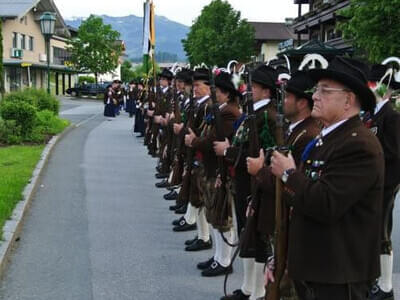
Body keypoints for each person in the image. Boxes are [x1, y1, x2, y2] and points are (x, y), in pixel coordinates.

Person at [269, 57, 384, 300]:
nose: (315, 96)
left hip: (338, 275)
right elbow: (300, 204)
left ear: (348, 100)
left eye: (324, 90)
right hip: (315, 269)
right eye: (316, 89)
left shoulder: (358, 144)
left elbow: (326, 203)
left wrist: (289, 174)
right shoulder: (328, 138)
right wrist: (282, 257)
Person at [214, 64, 279, 300]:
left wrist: (228, 152)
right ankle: (248, 287)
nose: (248, 90)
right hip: (243, 181)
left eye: (254, 87)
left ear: (266, 91)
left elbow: (261, 154)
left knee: (258, 238)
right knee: (246, 234)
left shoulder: (267, 117)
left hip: (256, 183)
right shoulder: (254, 114)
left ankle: (258, 291)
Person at [188, 70, 241, 276]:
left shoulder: (229, 111)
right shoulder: (219, 108)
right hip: (211, 167)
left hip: (220, 169)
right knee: (214, 214)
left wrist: (194, 141)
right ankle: (219, 256)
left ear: (227, 93)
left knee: (221, 215)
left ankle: (225, 260)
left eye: (218, 91)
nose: (214, 94)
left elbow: (213, 139)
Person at [366, 63, 400, 300]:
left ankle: (387, 287)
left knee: (383, 232)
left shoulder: (392, 115)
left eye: (373, 84)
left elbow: (395, 151)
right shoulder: (372, 113)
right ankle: (377, 280)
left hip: (388, 180)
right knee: (373, 229)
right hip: (375, 180)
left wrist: (370, 157)